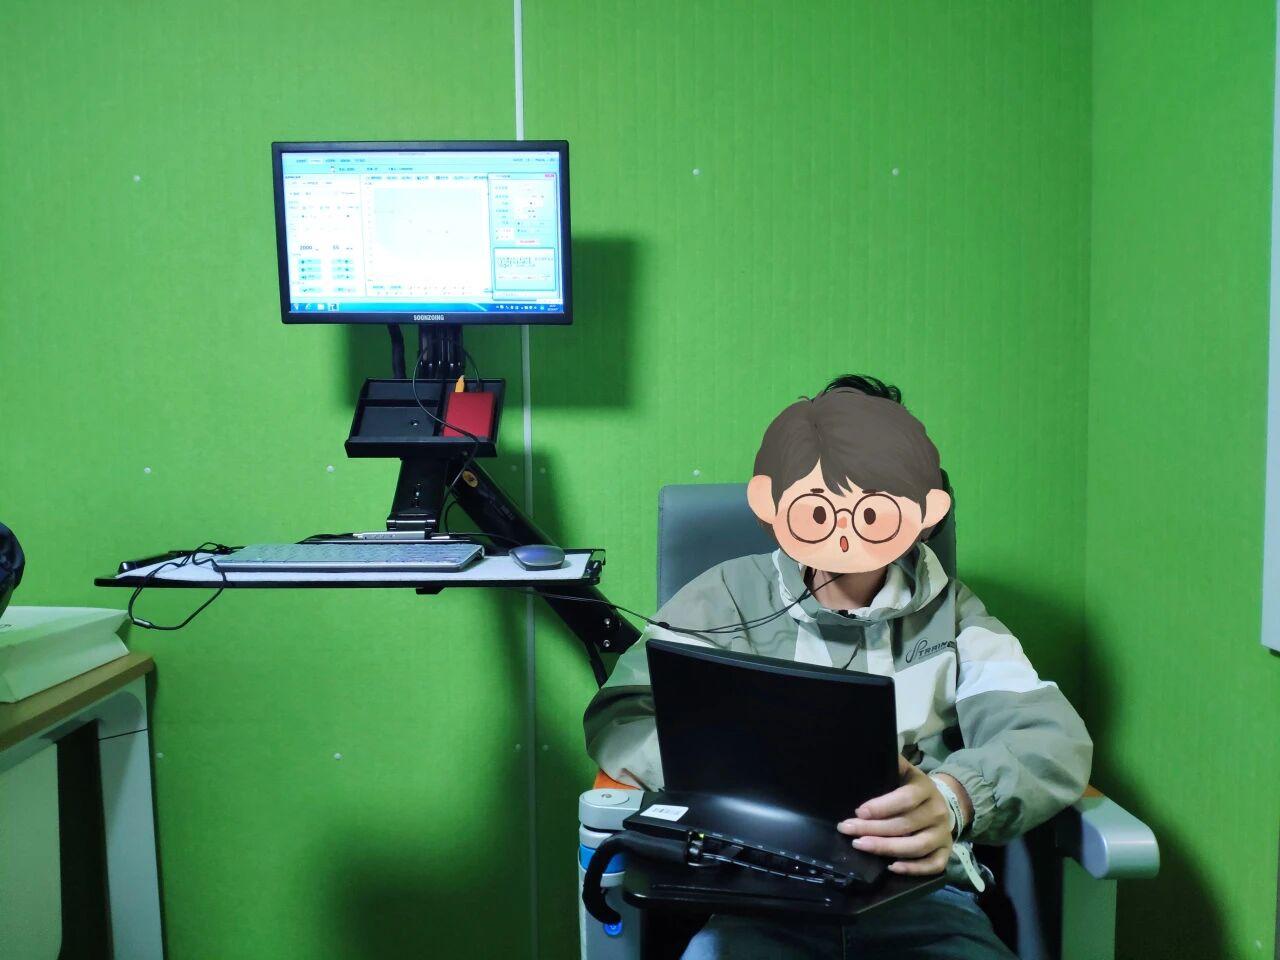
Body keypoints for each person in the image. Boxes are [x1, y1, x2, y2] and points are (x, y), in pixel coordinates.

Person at [582, 375, 1092, 959]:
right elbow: (623, 713)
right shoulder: (724, 596)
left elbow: (1048, 736)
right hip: (758, 897)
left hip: (921, 898)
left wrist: (956, 797)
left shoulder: (952, 613)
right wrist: (733, 775)